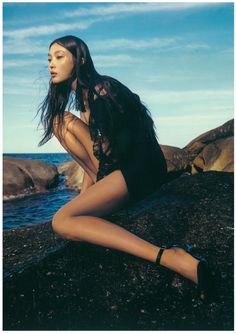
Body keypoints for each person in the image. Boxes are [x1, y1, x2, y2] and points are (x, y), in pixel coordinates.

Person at [37, 35, 212, 301]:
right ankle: (91, 199)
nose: (52, 64)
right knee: (59, 121)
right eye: (50, 58)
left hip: (138, 170)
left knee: (62, 221)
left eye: (60, 57)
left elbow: (116, 147)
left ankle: (168, 257)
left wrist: (87, 201)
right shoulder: (85, 98)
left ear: (80, 59)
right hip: (123, 168)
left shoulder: (100, 89)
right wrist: (87, 200)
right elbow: (94, 155)